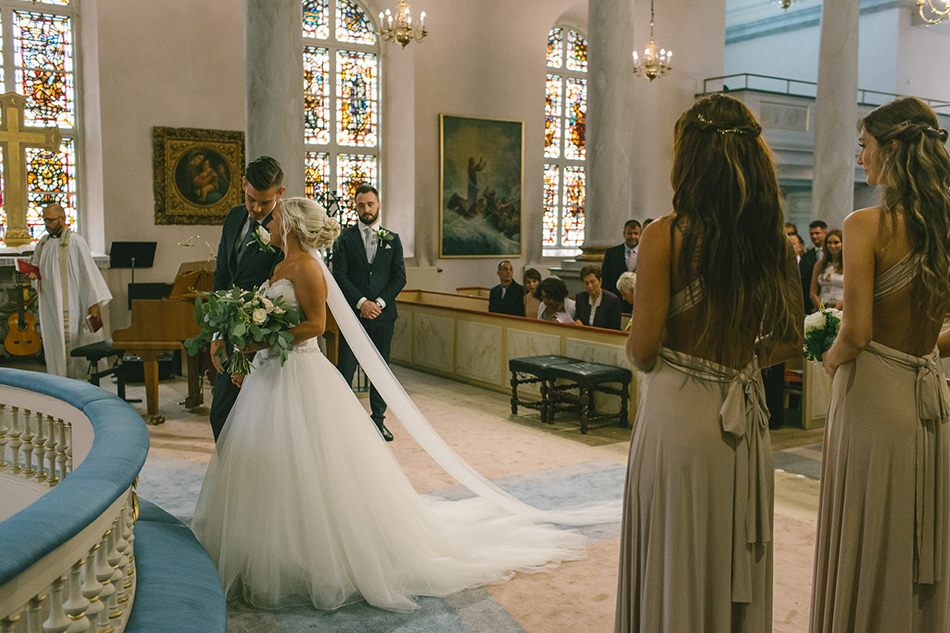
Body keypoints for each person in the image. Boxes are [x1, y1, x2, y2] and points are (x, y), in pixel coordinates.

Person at [191, 197, 588, 612]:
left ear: (288, 225)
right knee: (271, 461)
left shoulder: (307, 267)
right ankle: (270, 543)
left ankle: (315, 553)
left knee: (313, 463)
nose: (268, 223)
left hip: (298, 373)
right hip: (271, 372)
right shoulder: (278, 266)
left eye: (274, 218)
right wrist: (251, 348)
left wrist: (259, 341)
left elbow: (315, 325)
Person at [615, 94, 803, 632]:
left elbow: (644, 349)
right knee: (729, 548)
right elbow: (791, 340)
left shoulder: (666, 235)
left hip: (680, 418)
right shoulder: (773, 241)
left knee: (676, 552)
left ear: (689, 158)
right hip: (743, 420)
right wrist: (741, 362)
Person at [811, 97, 950, 633]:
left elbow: (858, 330)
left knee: (868, 529)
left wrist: (830, 355)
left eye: (864, 146)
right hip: (927, 396)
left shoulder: (868, 223)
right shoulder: (942, 227)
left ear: (891, 149)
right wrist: (927, 351)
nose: (861, 158)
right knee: (914, 531)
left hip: (874, 397)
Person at [208, 156, 286, 441]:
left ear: (280, 193)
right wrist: (216, 333)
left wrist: (251, 348)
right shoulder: (234, 217)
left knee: (258, 424)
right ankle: (229, 482)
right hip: (229, 331)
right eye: (251, 198)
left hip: (262, 338)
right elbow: (222, 277)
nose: (256, 208)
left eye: (264, 203)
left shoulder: (286, 228)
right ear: (243, 184)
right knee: (221, 415)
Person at [333, 184, 406, 442]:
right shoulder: (343, 238)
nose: (366, 209)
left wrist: (379, 304)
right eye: (361, 205)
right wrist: (362, 302)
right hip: (353, 315)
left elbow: (399, 278)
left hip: (383, 317)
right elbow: (339, 275)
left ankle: (378, 421)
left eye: (370, 204)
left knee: (380, 369)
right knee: (346, 369)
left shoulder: (393, 239)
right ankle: (343, 423)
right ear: (355, 207)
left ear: (378, 204)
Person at [28, 203, 112, 379]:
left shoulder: (75, 241)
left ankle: (75, 381)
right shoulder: (43, 243)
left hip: (72, 302)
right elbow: (36, 267)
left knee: (72, 340)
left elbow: (87, 273)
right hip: (49, 304)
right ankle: (57, 377)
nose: (47, 224)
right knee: (53, 342)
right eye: (45, 220)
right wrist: (33, 275)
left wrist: (93, 304)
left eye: (50, 220)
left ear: (62, 219)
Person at [602, 220, 641, 313]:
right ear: (624, 234)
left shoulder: (647, 254)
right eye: (629, 233)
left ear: (640, 235)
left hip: (639, 304)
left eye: (636, 233)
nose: (633, 237)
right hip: (616, 304)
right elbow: (605, 280)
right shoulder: (612, 253)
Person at [574, 264, 622, 330]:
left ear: (600, 281)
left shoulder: (612, 300)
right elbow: (577, 316)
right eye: (586, 283)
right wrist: (577, 321)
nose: (590, 286)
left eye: (592, 282)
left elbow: (615, 326)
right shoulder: (580, 298)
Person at [809, 228, 843, 310]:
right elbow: (813, 292)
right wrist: (822, 308)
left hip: (842, 307)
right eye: (829, 243)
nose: (832, 246)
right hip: (822, 307)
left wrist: (836, 309)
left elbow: (852, 292)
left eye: (836, 242)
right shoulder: (819, 265)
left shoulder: (849, 265)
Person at [799, 220, 827, 313]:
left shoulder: (833, 255)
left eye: (817, 233)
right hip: (810, 302)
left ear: (825, 233)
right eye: (811, 234)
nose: (814, 236)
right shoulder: (806, 256)